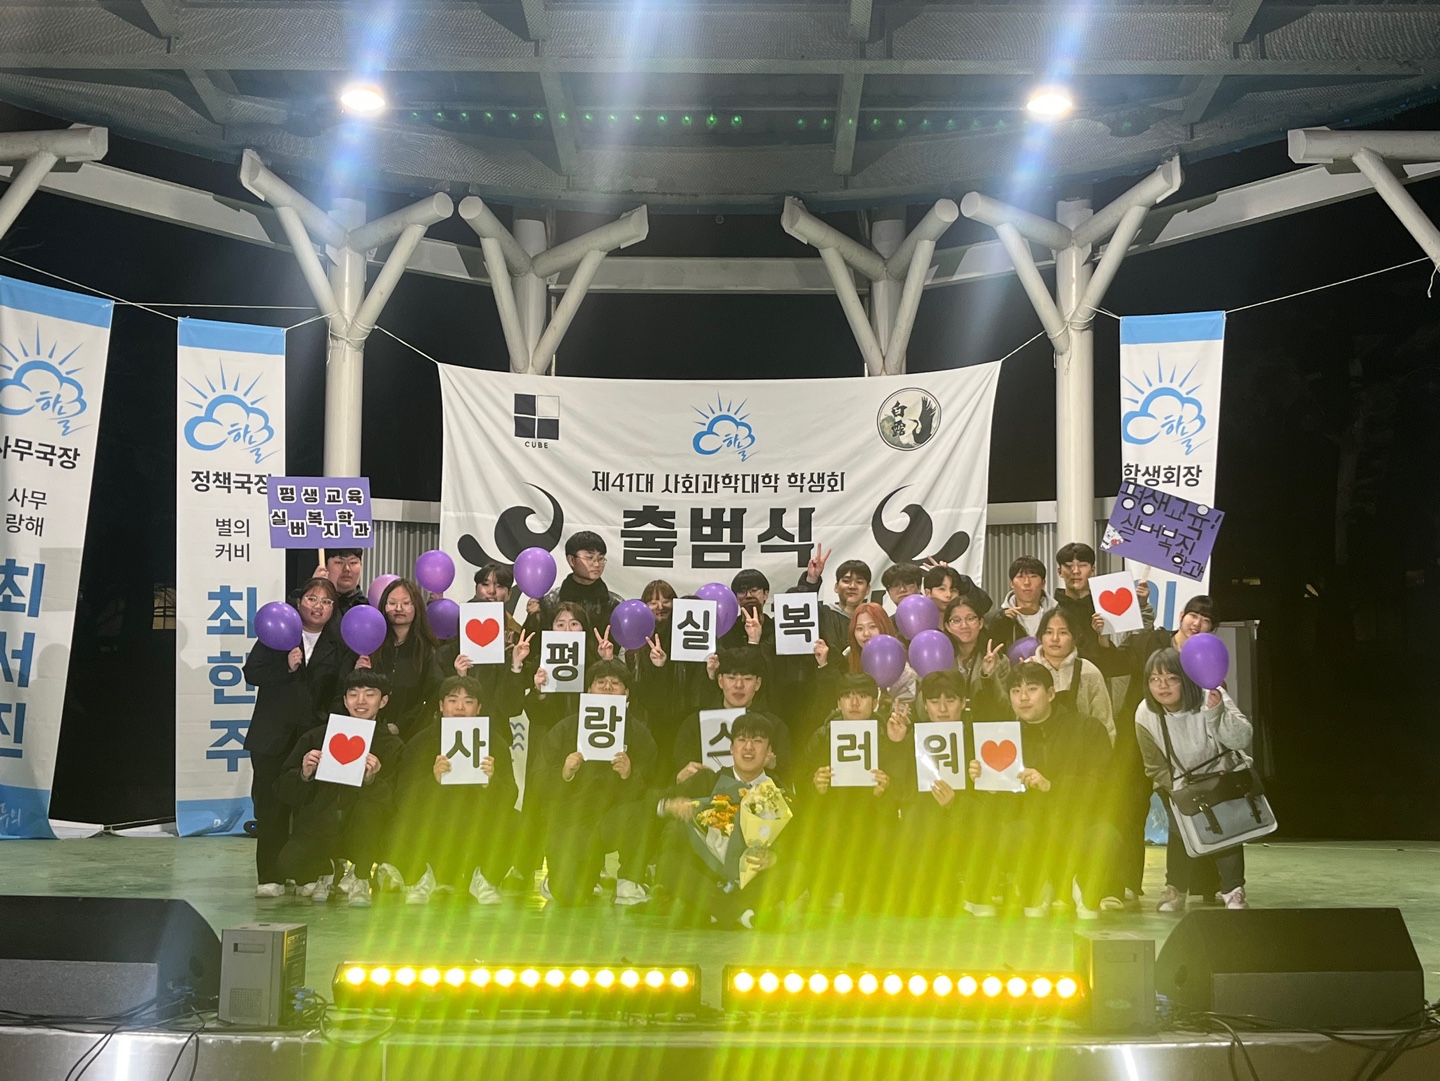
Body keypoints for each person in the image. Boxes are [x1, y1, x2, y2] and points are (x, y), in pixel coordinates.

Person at [965, 663, 1117, 919]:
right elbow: (1002, 809)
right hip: (1029, 825)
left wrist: (1051, 786)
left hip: (1078, 820)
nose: (1023, 697)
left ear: (1051, 693)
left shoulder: (1087, 728)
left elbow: (1102, 784)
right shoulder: (1004, 736)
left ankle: (1083, 887)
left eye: (1032, 689)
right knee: (1011, 835)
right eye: (1015, 691)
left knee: (1105, 836)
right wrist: (988, 784)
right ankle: (1036, 886)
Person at [1104, 593, 1218, 906]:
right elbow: (1116, 661)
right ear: (1182, 615)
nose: (1197, 623)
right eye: (1194, 615)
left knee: (1193, 813)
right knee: (1128, 811)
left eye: (1206, 620)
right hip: (1138, 741)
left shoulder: (1205, 657)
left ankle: (1197, 886)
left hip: (1185, 750)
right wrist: (1102, 637)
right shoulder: (1151, 641)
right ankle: (1123, 885)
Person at [242, 577, 344, 897]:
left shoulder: (338, 642)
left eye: (326, 602)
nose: (318, 606)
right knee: (270, 807)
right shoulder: (279, 631)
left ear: (333, 609)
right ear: (299, 602)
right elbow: (251, 672)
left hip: (312, 740)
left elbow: (341, 690)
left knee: (309, 811)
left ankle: (304, 874)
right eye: (312, 599)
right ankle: (269, 876)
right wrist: (284, 668)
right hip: (272, 738)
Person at [651, 713, 802, 929]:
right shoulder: (707, 780)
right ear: (731, 748)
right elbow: (654, 800)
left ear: (769, 751)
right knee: (667, 861)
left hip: (752, 879)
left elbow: (797, 840)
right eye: (742, 740)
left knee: (797, 870)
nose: (748, 748)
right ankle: (743, 914)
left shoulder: (780, 793)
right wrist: (669, 805)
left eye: (757, 741)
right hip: (708, 875)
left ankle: (712, 911)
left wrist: (775, 856)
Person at [1134, 647, 1255, 912]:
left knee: (1227, 831)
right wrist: (1178, 790)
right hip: (1179, 782)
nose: (1162, 685)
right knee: (1180, 831)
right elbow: (1153, 762)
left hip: (1222, 776)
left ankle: (1234, 891)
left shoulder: (1210, 696)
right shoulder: (1144, 712)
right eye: (1154, 679)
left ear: (1186, 679)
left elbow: (1242, 738)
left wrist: (1216, 713)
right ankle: (1175, 890)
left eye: (1171, 678)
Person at [385, 675, 518, 906]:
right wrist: (433, 780)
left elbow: (511, 795)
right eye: (453, 700)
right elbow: (403, 797)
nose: (460, 708)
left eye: (468, 701)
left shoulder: (496, 743)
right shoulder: (419, 743)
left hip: (478, 817)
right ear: (441, 705)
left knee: (517, 820)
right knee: (399, 821)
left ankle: (485, 878)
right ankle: (421, 877)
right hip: (434, 817)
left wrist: (491, 782)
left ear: (479, 708)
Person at [275, 669, 404, 907]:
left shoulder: (391, 744)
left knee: (369, 811)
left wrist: (372, 781)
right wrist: (304, 774)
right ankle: (328, 870)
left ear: (383, 701)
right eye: (353, 694)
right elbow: (284, 791)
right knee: (288, 863)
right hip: (321, 823)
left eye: (370, 694)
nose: (360, 701)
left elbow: (396, 800)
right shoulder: (317, 737)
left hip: (365, 826)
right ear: (345, 701)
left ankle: (362, 877)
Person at [536, 660, 658, 907]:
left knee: (642, 812)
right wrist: (565, 773)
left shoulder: (639, 733)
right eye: (600, 682)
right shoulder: (565, 728)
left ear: (626, 694)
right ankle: (566, 876)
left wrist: (630, 775)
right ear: (589, 690)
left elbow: (653, 786)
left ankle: (629, 880)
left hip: (615, 818)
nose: (608, 688)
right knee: (569, 896)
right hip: (573, 820)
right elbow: (538, 780)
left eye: (616, 683)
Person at [800, 672, 913, 913]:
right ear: (838, 702)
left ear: (875, 702)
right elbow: (801, 784)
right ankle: (826, 889)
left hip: (875, 812)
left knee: (883, 829)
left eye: (862, 696)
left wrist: (886, 789)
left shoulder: (889, 734)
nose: (854, 703)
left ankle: (873, 889)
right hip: (833, 811)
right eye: (847, 696)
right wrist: (815, 786)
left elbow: (903, 788)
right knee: (822, 826)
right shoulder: (822, 735)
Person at [670, 647, 793, 784]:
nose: (739, 685)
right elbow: (675, 775)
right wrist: (681, 777)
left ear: (757, 684)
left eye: (747, 679)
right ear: (720, 681)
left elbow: (790, 778)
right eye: (731, 678)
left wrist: (773, 767)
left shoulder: (775, 726)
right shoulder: (695, 723)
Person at [353, 578, 446, 739]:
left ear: (416, 607)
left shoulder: (427, 651)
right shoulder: (371, 645)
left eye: (406, 603)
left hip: (411, 735)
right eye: (392, 603)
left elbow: (430, 698)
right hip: (368, 732)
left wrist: (400, 726)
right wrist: (356, 673)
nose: (398, 608)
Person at [1033, 607, 1115, 744]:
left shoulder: (1088, 671)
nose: (1055, 638)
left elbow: (1105, 723)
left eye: (1063, 632)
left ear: (1074, 638)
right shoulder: (1028, 670)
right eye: (1048, 632)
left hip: (1083, 751)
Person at [527, 531, 623, 638]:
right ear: (571, 560)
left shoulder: (615, 604)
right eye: (589, 558)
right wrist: (533, 618)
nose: (596, 564)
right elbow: (534, 642)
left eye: (601, 559)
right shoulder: (551, 601)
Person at [940, 597, 1010, 719]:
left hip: (986, 726)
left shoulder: (999, 661)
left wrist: (987, 676)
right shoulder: (938, 659)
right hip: (947, 726)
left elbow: (1005, 707)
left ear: (981, 623)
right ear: (947, 626)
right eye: (956, 620)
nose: (964, 625)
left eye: (970, 618)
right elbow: (922, 709)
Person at [290, 548, 366, 615]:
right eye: (339, 562)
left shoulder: (368, 606)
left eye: (353, 563)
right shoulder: (298, 601)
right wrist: (314, 588)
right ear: (325, 566)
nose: (347, 569)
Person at [992, 556, 1051, 642]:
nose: (1027, 582)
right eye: (1020, 576)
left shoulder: (1057, 615)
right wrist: (1001, 620)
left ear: (1043, 583)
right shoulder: (997, 619)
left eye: (1033, 576)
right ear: (1011, 583)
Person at [471, 562, 523, 649]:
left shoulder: (516, 632)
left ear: (509, 593)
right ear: (476, 589)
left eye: (499, 586)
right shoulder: (459, 622)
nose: (492, 591)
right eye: (485, 584)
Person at [923, 564, 993, 619]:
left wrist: (954, 577)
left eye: (953, 590)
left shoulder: (964, 624)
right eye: (942, 589)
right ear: (928, 593)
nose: (948, 595)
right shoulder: (921, 617)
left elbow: (984, 604)